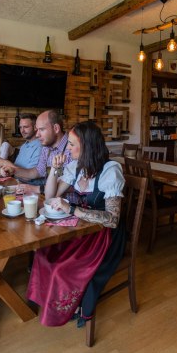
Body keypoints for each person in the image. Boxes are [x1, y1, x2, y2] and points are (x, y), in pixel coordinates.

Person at [26, 120, 126, 327]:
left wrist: (71, 209)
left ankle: (73, 307)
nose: (67, 148)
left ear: (87, 146)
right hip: (81, 230)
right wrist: (55, 168)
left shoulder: (110, 171)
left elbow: (112, 219)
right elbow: (51, 195)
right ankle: (54, 302)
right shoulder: (77, 168)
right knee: (44, 253)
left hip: (104, 237)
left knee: (61, 268)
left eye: (71, 144)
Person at [0, 110, 73, 190]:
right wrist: (13, 170)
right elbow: (37, 172)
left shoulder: (72, 147)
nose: (37, 135)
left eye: (41, 129)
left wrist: (37, 189)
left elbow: (71, 185)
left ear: (56, 128)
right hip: (50, 198)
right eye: (37, 130)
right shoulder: (46, 148)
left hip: (69, 201)